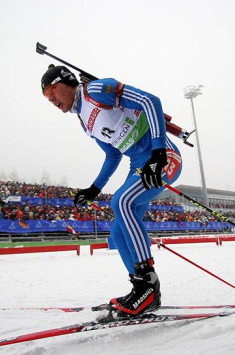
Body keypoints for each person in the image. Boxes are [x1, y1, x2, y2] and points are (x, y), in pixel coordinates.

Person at [41, 64, 182, 318]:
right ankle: (143, 291)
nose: (50, 99)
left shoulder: (95, 90)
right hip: (138, 164)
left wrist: (159, 150)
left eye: (51, 91)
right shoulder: (83, 121)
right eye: (46, 97)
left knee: (121, 202)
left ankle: (148, 283)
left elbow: (151, 101)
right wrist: (95, 188)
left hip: (162, 157)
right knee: (117, 232)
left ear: (66, 82)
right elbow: (112, 154)